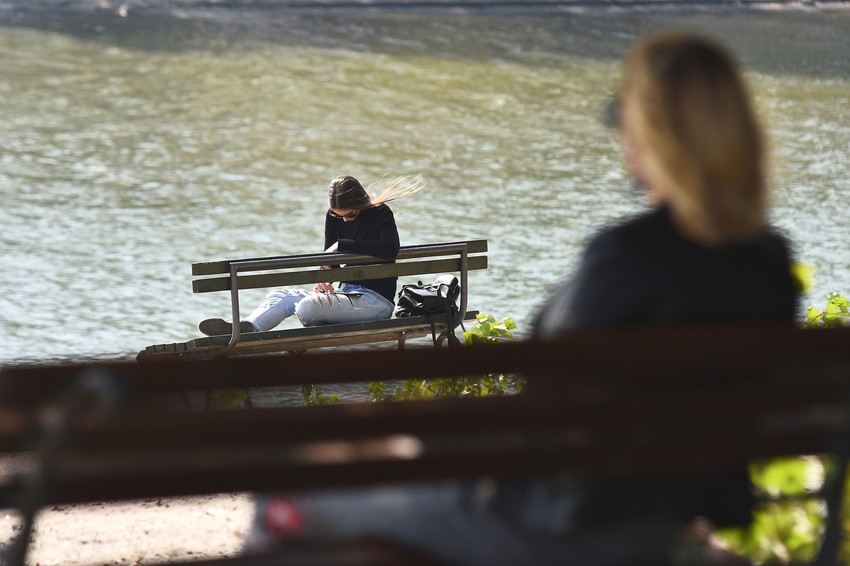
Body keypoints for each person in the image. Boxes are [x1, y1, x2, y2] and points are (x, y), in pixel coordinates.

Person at [240, 33, 796, 565]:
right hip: (662, 523)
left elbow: (545, 398)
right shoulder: (770, 266)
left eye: (623, 119)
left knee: (290, 499)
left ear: (654, 136)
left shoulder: (627, 257)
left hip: (560, 525)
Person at [198, 175, 423, 336]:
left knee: (307, 307)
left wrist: (341, 245)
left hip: (375, 302)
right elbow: (331, 261)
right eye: (338, 214)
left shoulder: (380, 213)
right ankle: (247, 327)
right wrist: (326, 277)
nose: (343, 219)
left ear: (360, 203)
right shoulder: (333, 217)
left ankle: (274, 323)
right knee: (281, 295)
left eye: (350, 214)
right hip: (346, 295)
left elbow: (390, 248)